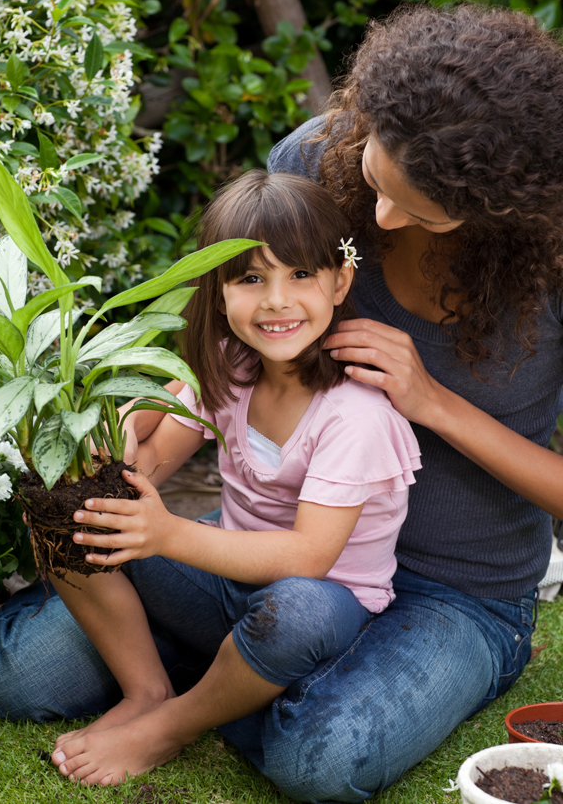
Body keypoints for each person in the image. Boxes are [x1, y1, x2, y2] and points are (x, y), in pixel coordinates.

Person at [0, 2, 563, 801]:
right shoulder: (322, 159)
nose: (382, 219)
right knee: (13, 672)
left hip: (454, 589)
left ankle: (204, 701)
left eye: (421, 211)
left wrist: (435, 403)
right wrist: (137, 441)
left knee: (319, 761)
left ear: (498, 207)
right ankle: (242, 669)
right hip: (267, 553)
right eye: (378, 181)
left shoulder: (551, 252)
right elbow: (219, 349)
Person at [39, 169, 421, 786]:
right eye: (250, 278)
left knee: (297, 612)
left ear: (340, 281)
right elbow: (149, 461)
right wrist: (113, 426)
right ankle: (146, 692)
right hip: (224, 585)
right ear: (218, 292)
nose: (275, 300)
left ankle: (173, 725)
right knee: (71, 512)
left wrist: (164, 536)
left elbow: (310, 557)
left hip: (325, 612)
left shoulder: (357, 415)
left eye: (300, 274)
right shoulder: (228, 367)